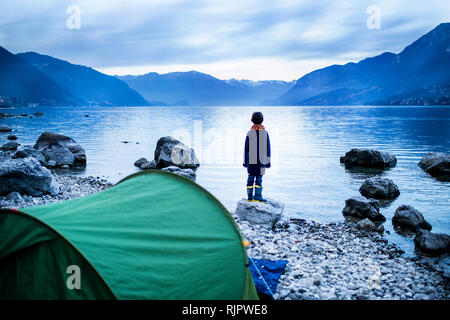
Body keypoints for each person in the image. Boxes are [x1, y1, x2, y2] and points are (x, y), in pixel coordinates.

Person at [243, 112, 271, 202]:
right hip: (262, 160)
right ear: (262, 120)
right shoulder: (265, 133)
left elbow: (246, 148)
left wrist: (245, 162)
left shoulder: (249, 133)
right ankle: (258, 196)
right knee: (259, 178)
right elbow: (268, 149)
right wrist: (268, 162)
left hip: (251, 160)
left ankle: (250, 197)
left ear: (252, 120)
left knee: (250, 177)